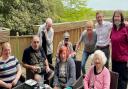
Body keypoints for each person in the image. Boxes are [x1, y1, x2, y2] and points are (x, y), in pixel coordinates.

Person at [110, 10, 128, 89]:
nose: (116, 18)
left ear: (121, 18)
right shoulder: (113, 29)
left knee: (122, 82)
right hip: (114, 59)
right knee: (115, 79)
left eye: (118, 16)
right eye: (115, 16)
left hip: (123, 60)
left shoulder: (126, 28)